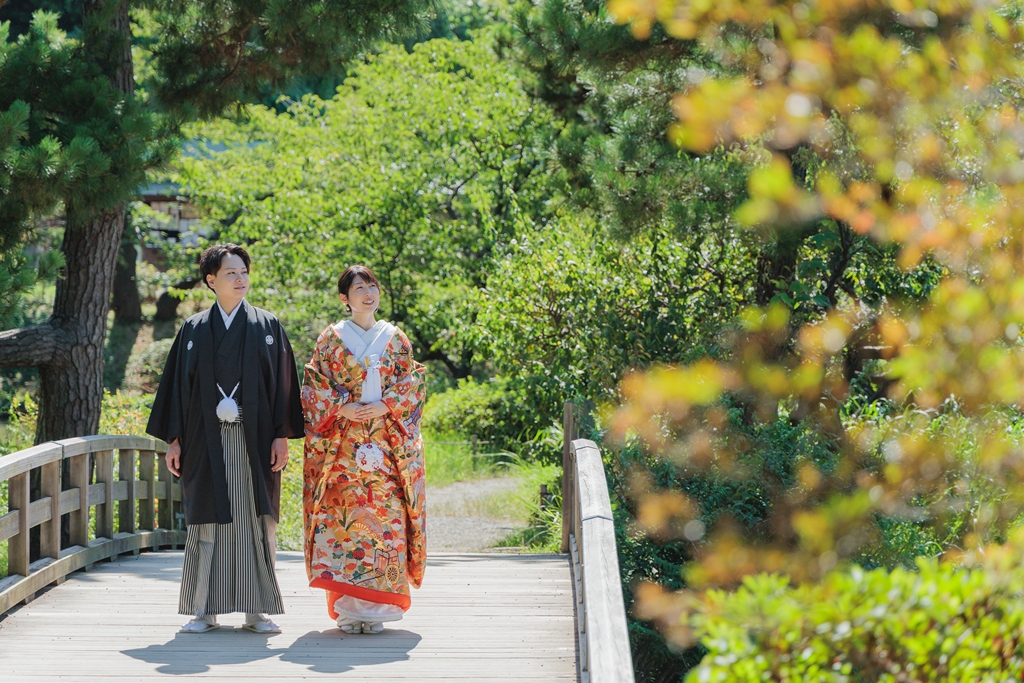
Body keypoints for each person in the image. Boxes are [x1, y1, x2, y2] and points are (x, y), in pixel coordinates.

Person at [147, 244, 304, 634]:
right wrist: (174, 440)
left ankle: (257, 610)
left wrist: (282, 436)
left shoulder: (267, 326)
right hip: (205, 441)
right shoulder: (193, 330)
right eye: (231, 273)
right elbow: (176, 389)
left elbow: (283, 386)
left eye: (244, 272)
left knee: (256, 520)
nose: (240, 278)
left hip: (256, 441)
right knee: (206, 522)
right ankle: (203, 610)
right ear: (211, 280)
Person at [301, 264, 426, 634]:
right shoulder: (330, 339)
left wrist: (387, 405)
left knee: (386, 520)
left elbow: (412, 383)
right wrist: (341, 407)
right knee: (346, 522)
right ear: (345, 298)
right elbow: (313, 386)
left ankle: (381, 610)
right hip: (343, 445)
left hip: (386, 444)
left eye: (372, 286)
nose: (368, 293)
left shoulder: (396, 338)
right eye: (359, 288)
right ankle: (349, 609)